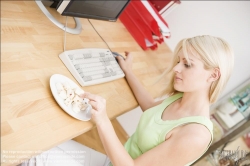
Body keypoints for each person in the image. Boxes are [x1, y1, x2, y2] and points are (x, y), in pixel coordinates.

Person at [19, 35, 234, 166]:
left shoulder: (195, 135)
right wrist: (128, 71)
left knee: (26, 156)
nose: (176, 68)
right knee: (33, 145)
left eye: (187, 65)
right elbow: (151, 109)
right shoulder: (181, 98)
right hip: (111, 162)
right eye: (179, 61)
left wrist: (102, 120)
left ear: (213, 75)